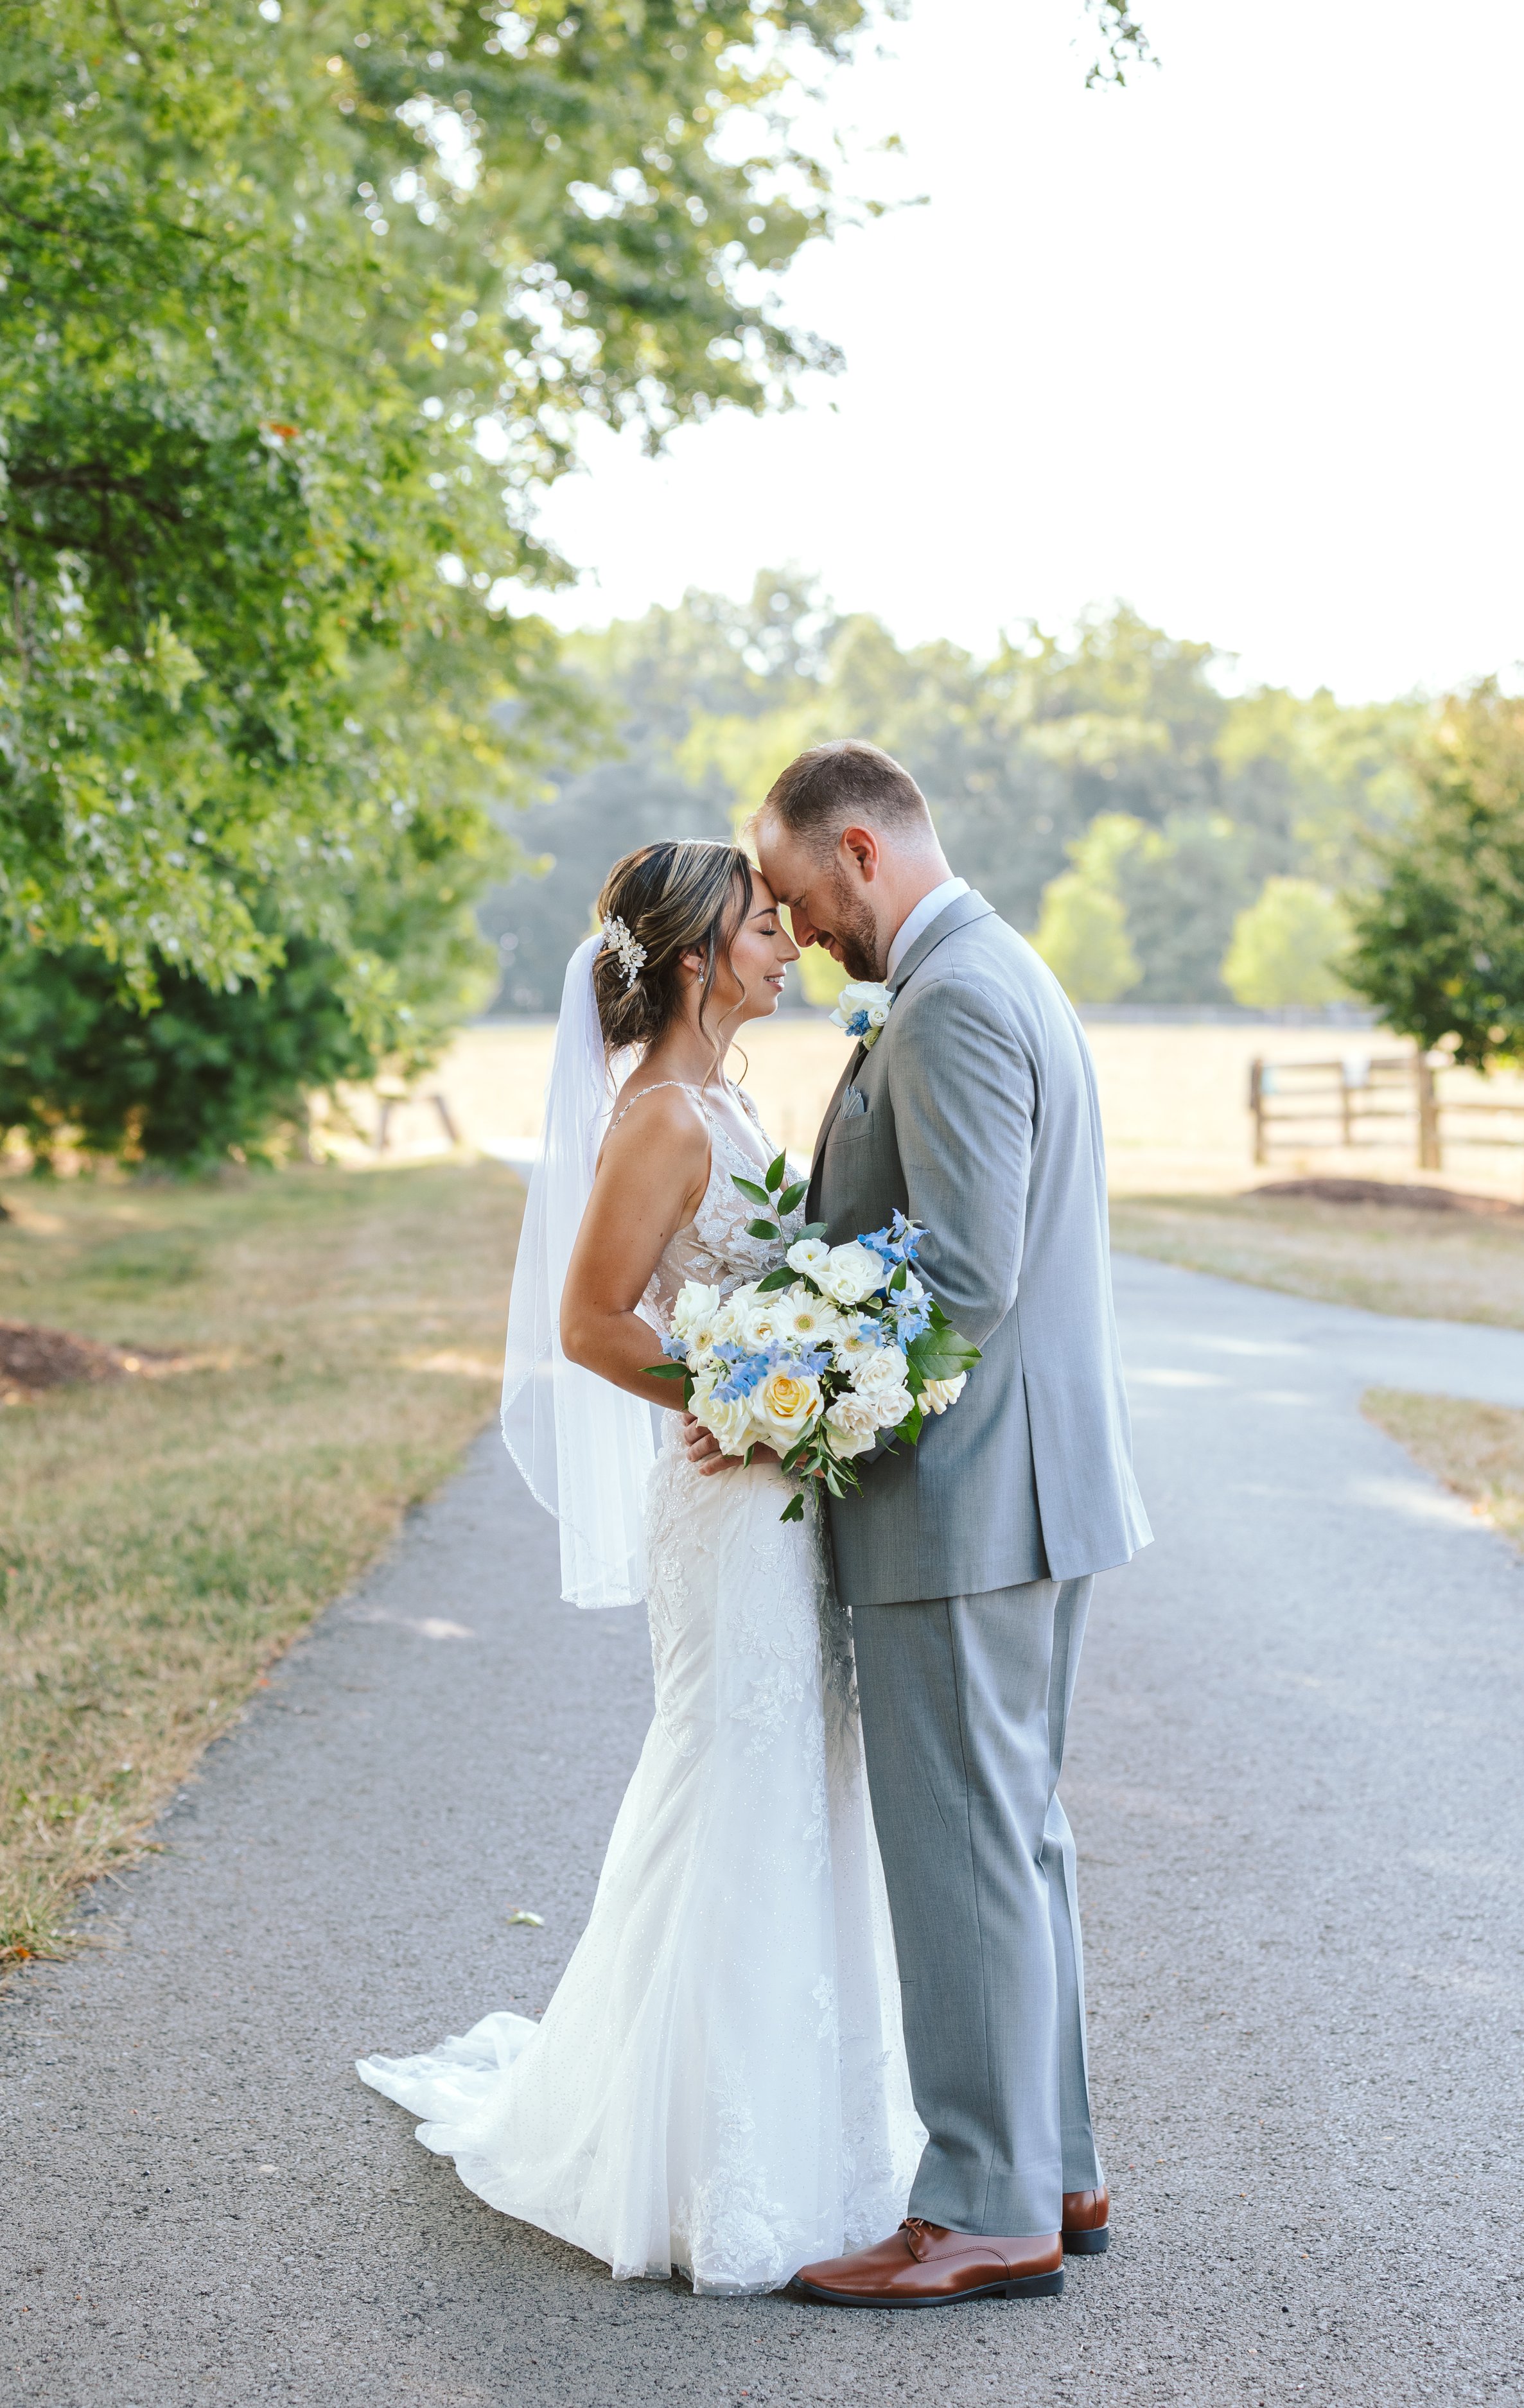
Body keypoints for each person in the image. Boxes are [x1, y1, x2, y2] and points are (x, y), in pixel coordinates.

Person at [357, 839, 922, 2296]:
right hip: (728, 1511)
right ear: (692, 960)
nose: (786, 943)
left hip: (778, 1504)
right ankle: (694, 2158)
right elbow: (592, 1322)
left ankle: (819, 2137)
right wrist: (739, 1402)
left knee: (802, 1784)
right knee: (733, 1781)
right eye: (758, 929)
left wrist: (805, 1376)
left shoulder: (721, 1099)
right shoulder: (662, 1118)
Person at [693, 739, 1152, 2308]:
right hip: (1027, 1485)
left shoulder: (953, 998)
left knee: (961, 1846)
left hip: (966, 1502)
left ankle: (982, 2210)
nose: (795, 922)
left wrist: (769, 1395)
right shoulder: (983, 968)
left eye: (801, 889)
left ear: (863, 852)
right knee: (1011, 1836)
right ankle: (1054, 2166)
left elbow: (958, 1280)